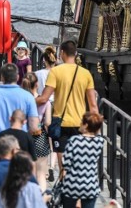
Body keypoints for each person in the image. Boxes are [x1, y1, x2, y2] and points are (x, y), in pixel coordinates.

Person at [36, 40, 98, 169]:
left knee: (63, 164)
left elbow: (44, 98)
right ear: (75, 54)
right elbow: (93, 105)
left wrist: (27, 100)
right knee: (78, 162)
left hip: (61, 123)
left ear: (62, 53)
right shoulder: (86, 74)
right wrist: (94, 130)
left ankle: (64, 183)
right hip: (80, 124)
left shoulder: (56, 72)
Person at [0, 63, 39, 156]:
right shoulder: (28, 97)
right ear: (17, 77)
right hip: (20, 147)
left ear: (2, 78)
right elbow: (34, 126)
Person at [61, 112, 105, 208]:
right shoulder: (100, 142)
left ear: (86, 125)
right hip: (91, 185)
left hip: (72, 184)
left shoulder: (74, 140)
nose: (79, 123)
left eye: (81, 122)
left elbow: (66, 163)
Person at [22, 72, 52, 191]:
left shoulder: (21, 100)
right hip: (39, 138)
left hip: (23, 137)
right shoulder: (45, 102)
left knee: (26, 173)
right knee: (41, 174)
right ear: (37, 85)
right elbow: (48, 122)